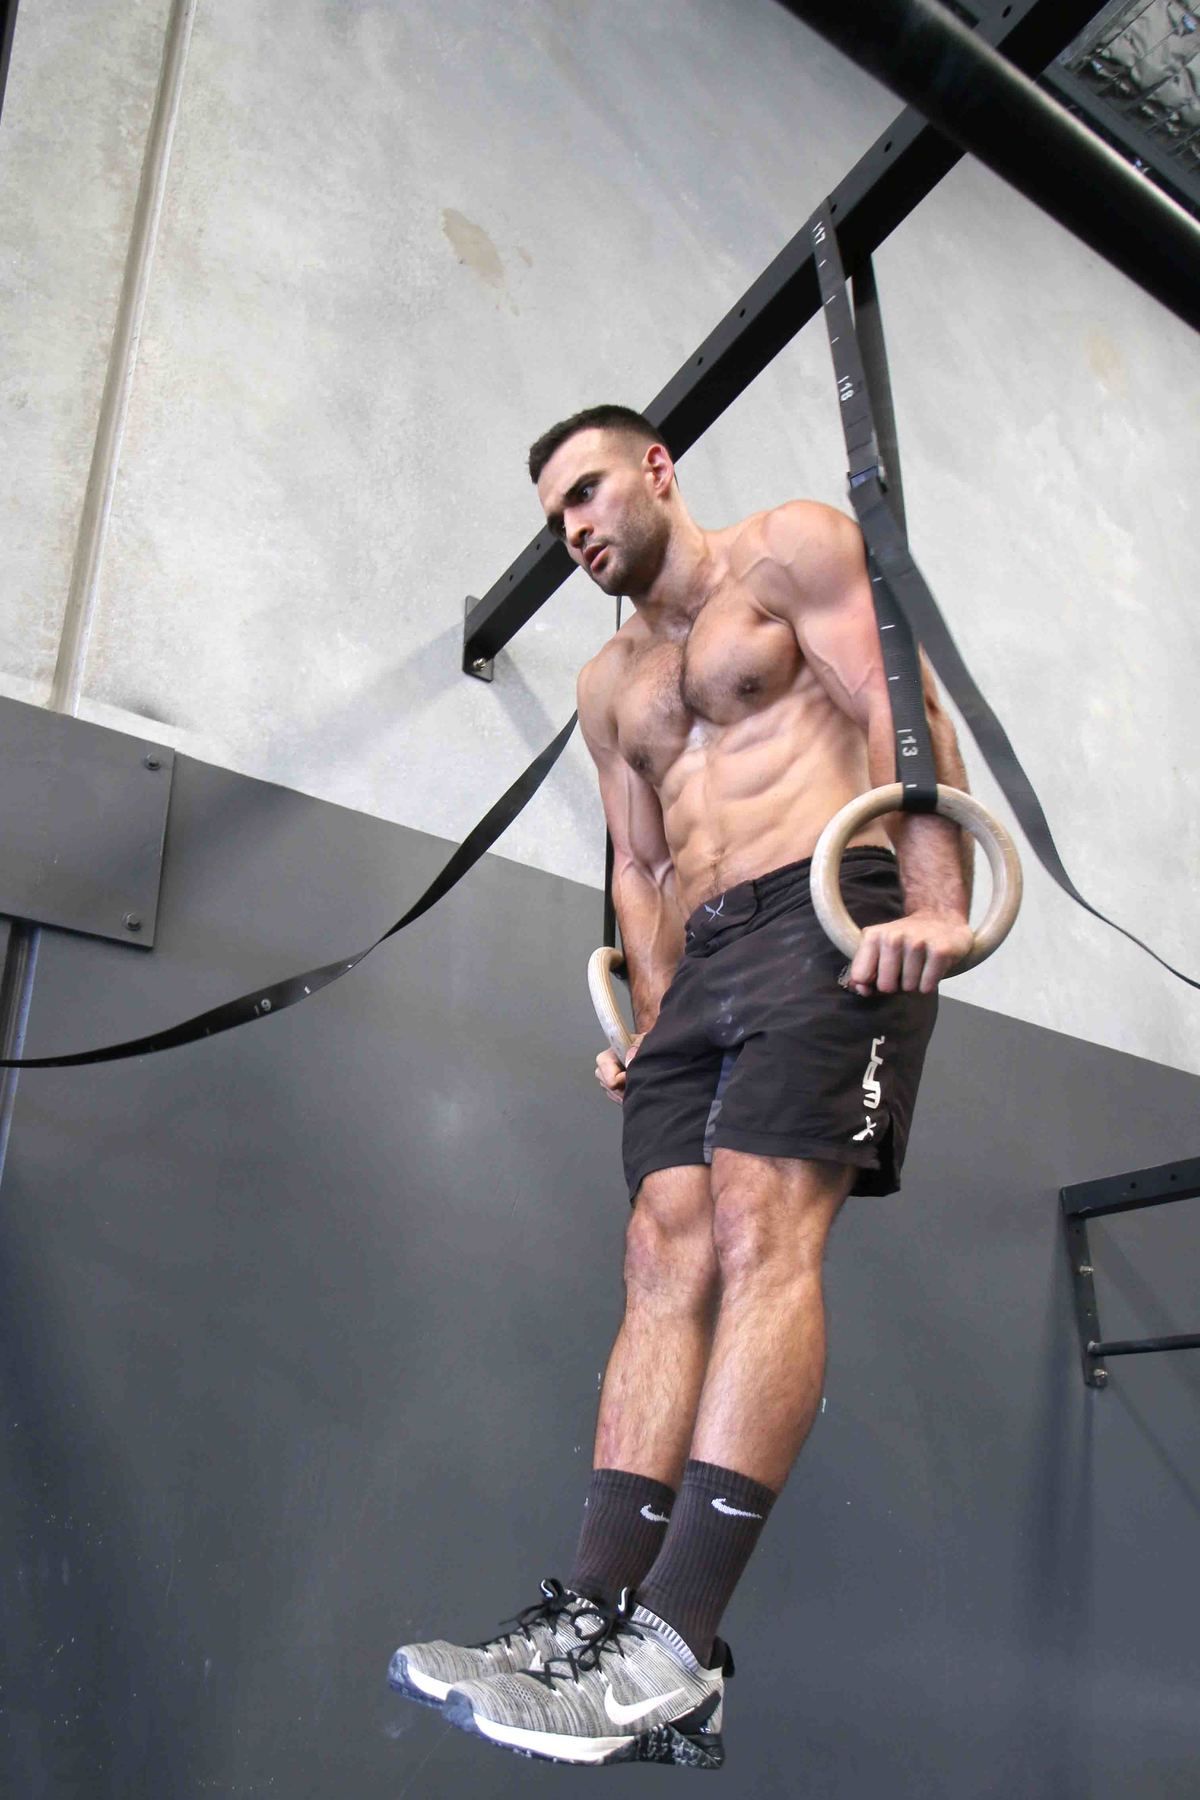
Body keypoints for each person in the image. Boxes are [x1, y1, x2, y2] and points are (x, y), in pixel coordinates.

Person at [388, 404, 973, 1769]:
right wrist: (654, 1027)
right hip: (701, 961)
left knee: (767, 1226)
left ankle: (675, 1646)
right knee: (663, 1254)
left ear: (657, 468)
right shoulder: (611, 686)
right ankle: (591, 1616)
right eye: (556, 517)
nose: (575, 528)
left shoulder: (788, 553)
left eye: (588, 492)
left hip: (830, 902)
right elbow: (643, 869)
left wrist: (938, 905)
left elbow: (901, 709)